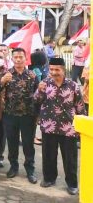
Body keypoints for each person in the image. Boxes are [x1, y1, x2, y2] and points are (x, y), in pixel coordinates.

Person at [34, 57, 85, 196]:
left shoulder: (73, 85)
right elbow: (36, 101)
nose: (54, 72)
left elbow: (80, 106)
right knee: (48, 155)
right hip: (48, 126)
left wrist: (81, 127)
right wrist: (38, 90)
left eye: (57, 69)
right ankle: (49, 178)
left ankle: (72, 184)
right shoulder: (44, 83)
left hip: (68, 127)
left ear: (63, 70)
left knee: (70, 158)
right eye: (51, 69)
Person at [0, 47, 38, 184]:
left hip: (28, 116)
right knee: (12, 143)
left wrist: (38, 115)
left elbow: (38, 96)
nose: (18, 59)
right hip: (10, 115)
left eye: (21, 57)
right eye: (16, 57)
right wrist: (2, 82)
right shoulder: (7, 74)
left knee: (28, 144)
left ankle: (30, 169)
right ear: (12, 59)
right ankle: (13, 167)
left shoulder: (32, 75)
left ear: (26, 59)